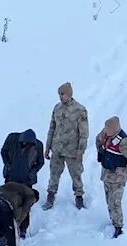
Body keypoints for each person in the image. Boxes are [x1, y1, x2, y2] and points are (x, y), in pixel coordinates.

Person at [44, 82, 90, 210]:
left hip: (72, 151)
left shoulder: (80, 110)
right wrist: (47, 147)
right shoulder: (57, 108)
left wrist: (80, 151)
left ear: (69, 94)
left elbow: (84, 133)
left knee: (76, 175)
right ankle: (51, 196)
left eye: (62, 94)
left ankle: (79, 197)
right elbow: (52, 128)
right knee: (54, 174)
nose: (60, 97)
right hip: (57, 149)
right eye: (59, 94)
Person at [96, 116, 127, 238]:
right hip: (106, 174)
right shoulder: (106, 134)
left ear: (115, 129)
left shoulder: (124, 142)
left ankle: (118, 227)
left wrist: (125, 170)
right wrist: (100, 152)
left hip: (117, 179)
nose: (105, 130)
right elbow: (98, 139)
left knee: (115, 202)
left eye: (107, 129)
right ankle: (112, 220)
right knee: (108, 200)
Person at [0, 182, 39, 246]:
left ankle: (1, 245)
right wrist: (17, 222)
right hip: (5, 201)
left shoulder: (19, 187)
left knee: (0, 224)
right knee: (12, 230)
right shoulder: (31, 195)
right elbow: (24, 210)